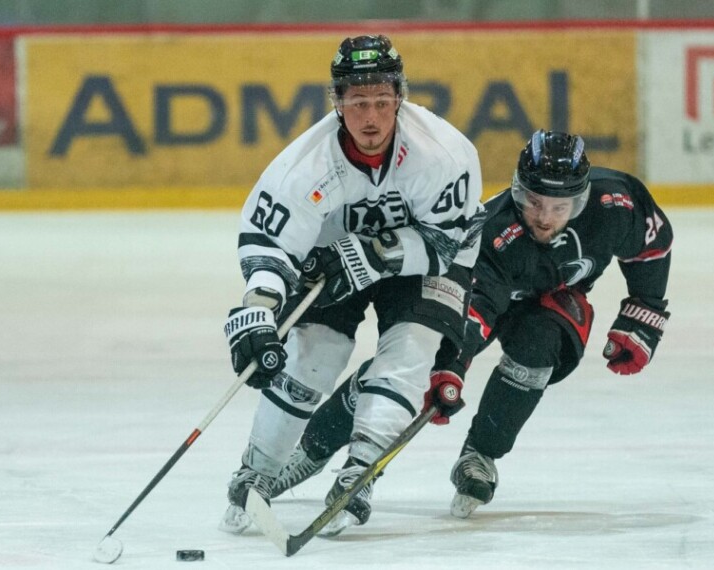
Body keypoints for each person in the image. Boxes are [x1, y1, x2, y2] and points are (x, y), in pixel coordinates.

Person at [266, 129, 675, 521]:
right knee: (411, 367)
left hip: (549, 297)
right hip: (468, 292)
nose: (545, 217)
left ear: (582, 199)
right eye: (534, 202)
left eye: (558, 207)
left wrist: (644, 312)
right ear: (518, 190)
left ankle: (480, 454)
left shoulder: (617, 205)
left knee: (541, 344)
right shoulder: (495, 234)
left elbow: (652, 249)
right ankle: (313, 448)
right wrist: (450, 363)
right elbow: (474, 307)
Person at [219, 34, 484, 535]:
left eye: (383, 101)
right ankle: (258, 470)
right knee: (311, 355)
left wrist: (378, 253)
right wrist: (259, 305)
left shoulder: (445, 154)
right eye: (358, 102)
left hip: (422, 265)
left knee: (410, 349)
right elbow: (270, 243)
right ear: (336, 103)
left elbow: (452, 241)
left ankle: (359, 470)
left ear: (399, 99)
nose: (371, 117)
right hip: (332, 262)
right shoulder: (305, 166)